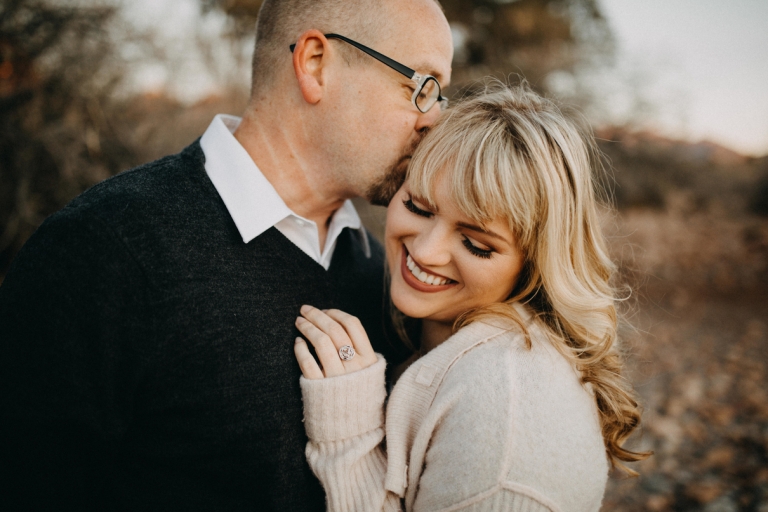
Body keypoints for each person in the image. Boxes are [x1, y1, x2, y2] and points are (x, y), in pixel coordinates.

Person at [0, 1, 452, 510]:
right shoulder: (102, 250)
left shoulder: (384, 274)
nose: (433, 119)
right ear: (316, 64)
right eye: (421, 85)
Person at [292, 83, 650, 511]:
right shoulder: (446, 337)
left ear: (535, 264)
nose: (424, 251)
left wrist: (349, 437)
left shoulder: (506, 434)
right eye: (419, 208)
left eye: (477, 243)